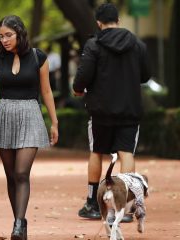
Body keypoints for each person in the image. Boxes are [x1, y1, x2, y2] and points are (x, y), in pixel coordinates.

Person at [0, 15, 59, 240]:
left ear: (19, 34)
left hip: (30, 114)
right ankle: (20, 227)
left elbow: (46, 91)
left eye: (9, 35)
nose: (4, 40)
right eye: (1, 36)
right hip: (4, 115)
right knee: (10, 175)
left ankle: (18, 223)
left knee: (21, 172)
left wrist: (54, 122)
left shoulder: (38, 57)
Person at [72, 3, 150, 222]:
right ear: (118, 20)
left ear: (99, 23)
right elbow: (145, 75)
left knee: (97, 151)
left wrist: (78, 89)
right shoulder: (137, 44)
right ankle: (125, 206)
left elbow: (83, 76)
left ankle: (92, 205)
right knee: (126, 152)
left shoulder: (94, 44)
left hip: (100, 110)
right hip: (129, 109)